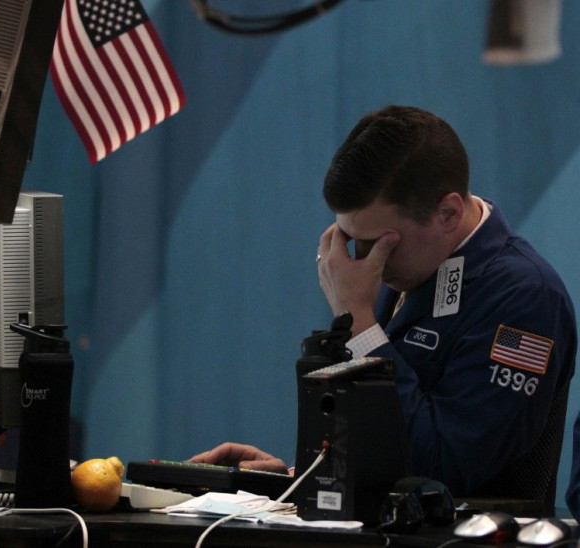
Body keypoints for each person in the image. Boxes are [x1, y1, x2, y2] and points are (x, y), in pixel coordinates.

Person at [190, 106, 577, 498]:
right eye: (349, 237)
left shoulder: (526, 298)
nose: (361, 257)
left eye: (379, 242)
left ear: (447, 213)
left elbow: (446, 470)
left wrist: (358, 323)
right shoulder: (405, 270)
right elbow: (379, 459)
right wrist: (294, 480)